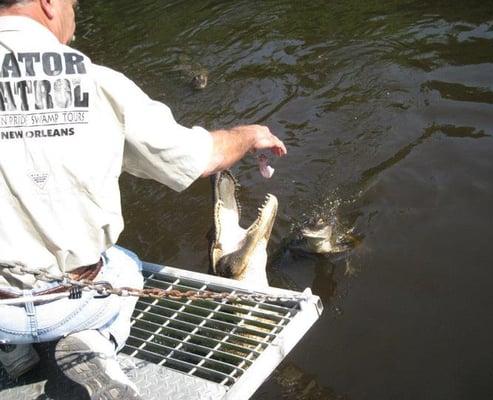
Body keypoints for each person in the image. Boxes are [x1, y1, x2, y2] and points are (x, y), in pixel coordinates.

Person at [0, 0, 287, 399]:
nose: (74, 18)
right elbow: (198, 157)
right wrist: (249, 135)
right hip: (67, 304)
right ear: (48, 2)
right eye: (72, 4)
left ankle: (12, 352)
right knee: (126, 265)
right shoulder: (98, 82)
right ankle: (94, 345)